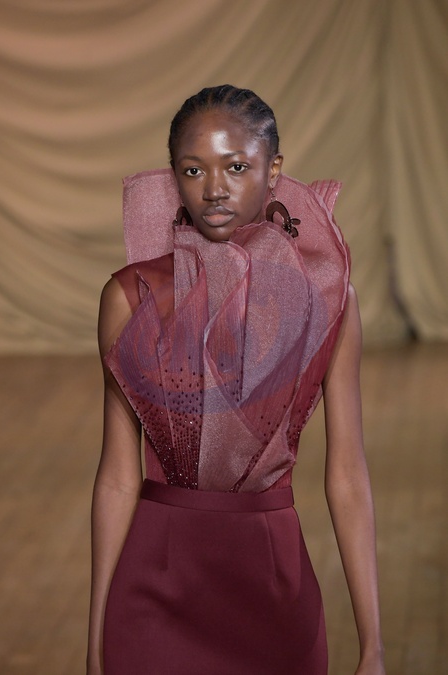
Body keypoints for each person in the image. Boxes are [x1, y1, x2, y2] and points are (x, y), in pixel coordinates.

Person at [87, 85, 385, 675]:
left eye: (237, 166)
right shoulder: (131, 297)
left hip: (274, 591)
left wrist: (372, 645)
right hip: (154, 589)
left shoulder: (327, 300)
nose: (215, 189)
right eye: (193, 169)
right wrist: (96, 645)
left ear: (274, 171)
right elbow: (118, 476)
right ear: (174, 177)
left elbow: (348, 474)